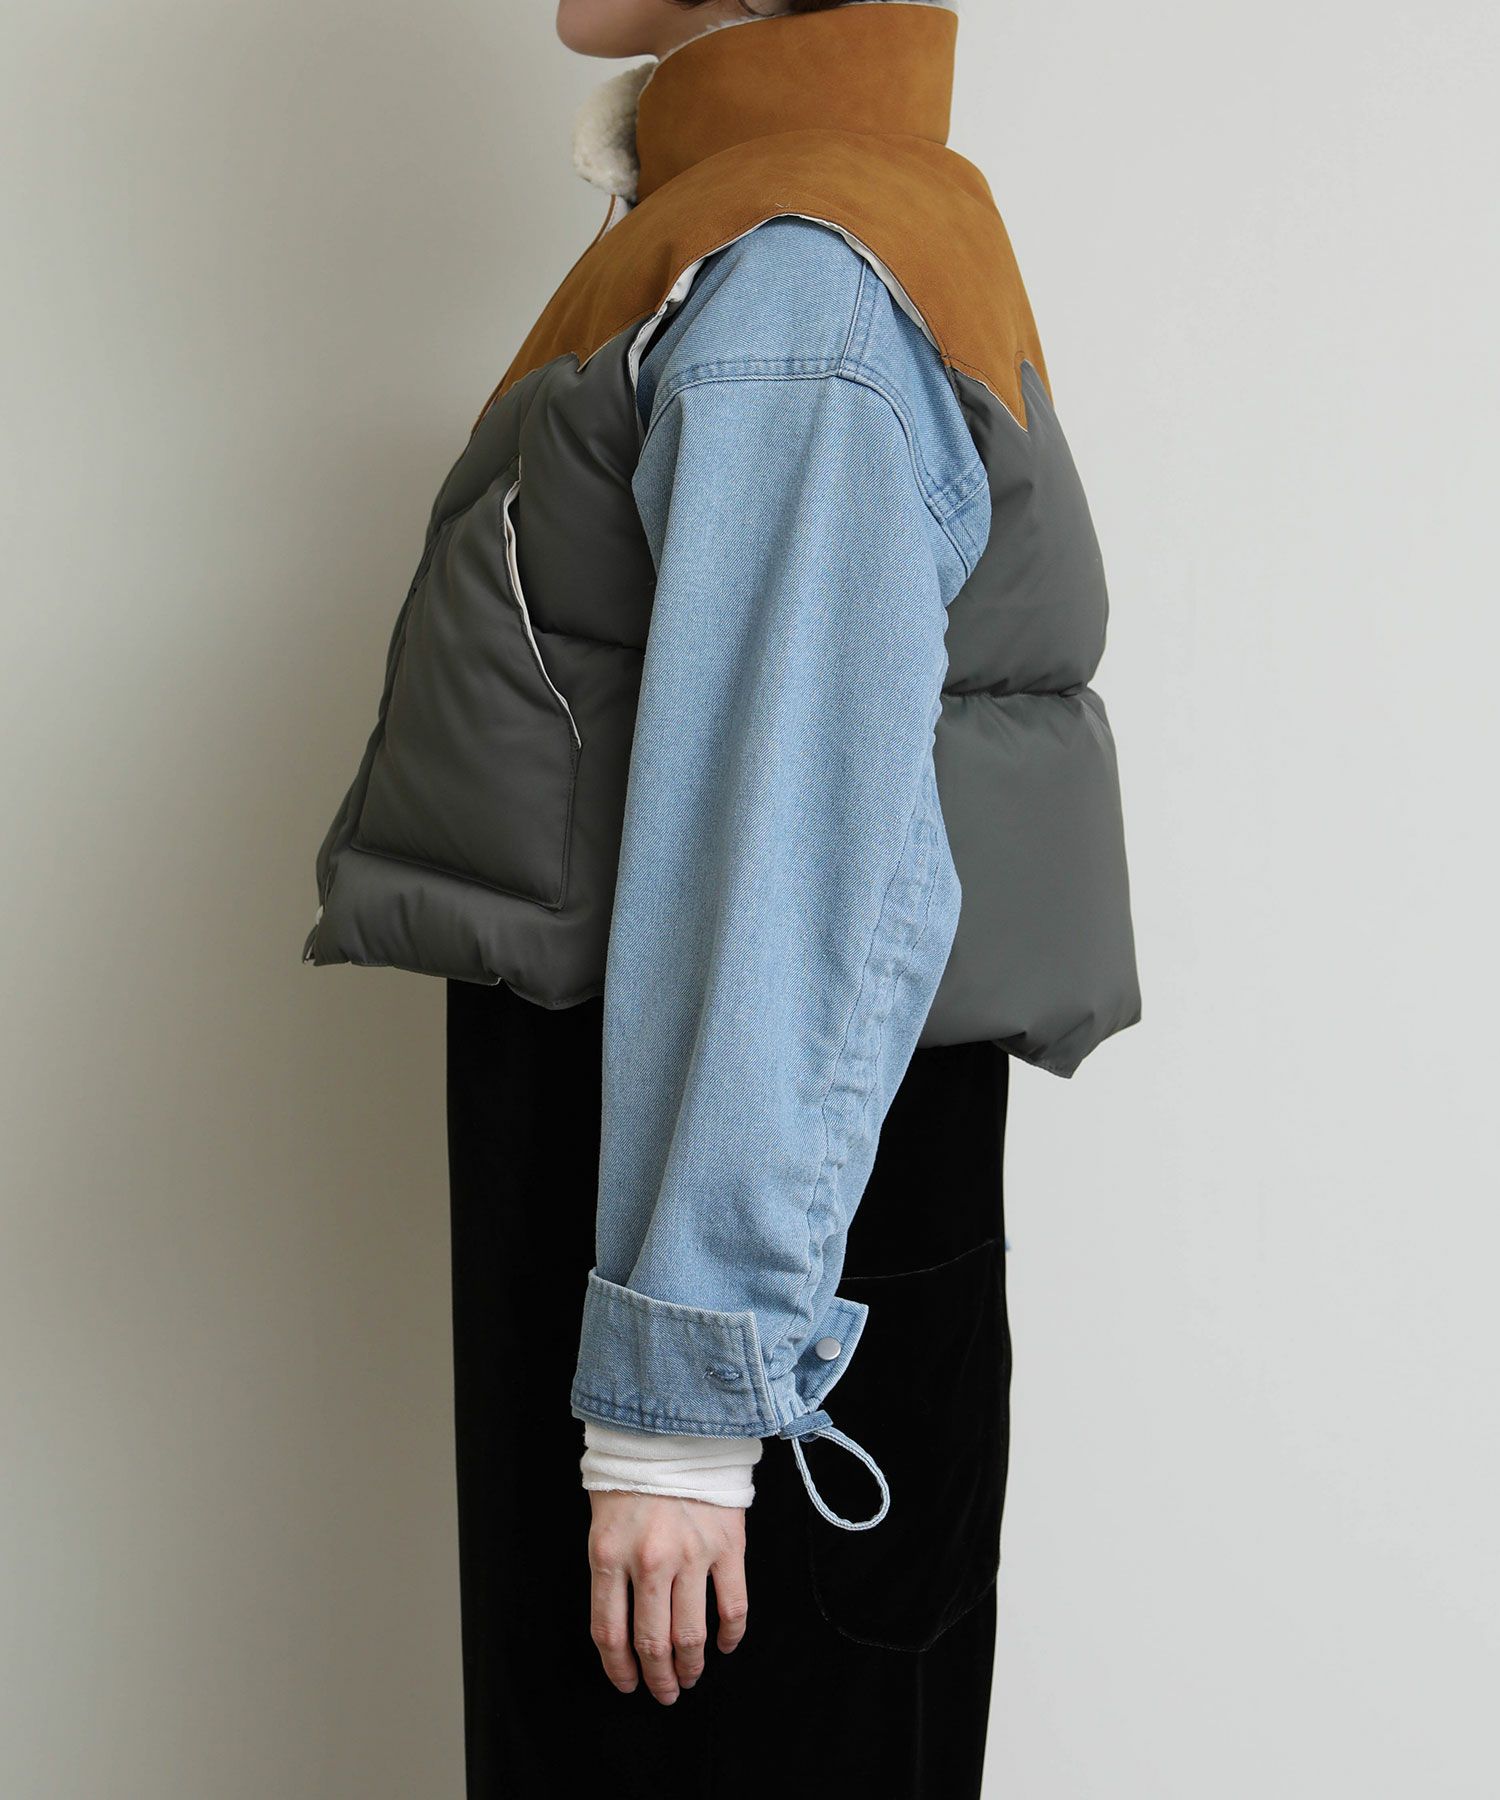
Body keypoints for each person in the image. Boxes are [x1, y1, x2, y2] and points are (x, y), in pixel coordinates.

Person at [302, 1, 1141, 1793]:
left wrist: (684, 1415)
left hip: (729, 1261)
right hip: (709, 1211)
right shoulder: (756, 231)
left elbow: (795, 845)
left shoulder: (798, 283)